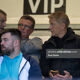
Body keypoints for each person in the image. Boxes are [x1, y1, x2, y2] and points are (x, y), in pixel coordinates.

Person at [40, 11, 80, 80]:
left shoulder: (78, 42)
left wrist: (72, 77)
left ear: (62, 26)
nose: (50, 27)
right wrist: (49, 73)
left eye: (52, 24)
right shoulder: (48, 44)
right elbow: (42, 66)